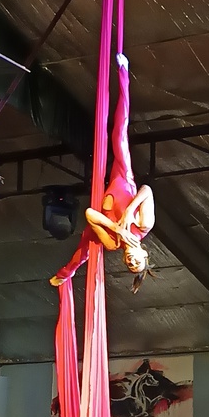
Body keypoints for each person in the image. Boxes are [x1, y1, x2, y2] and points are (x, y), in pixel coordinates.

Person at [50, 53, 155, 293]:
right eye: (137, 262)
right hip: (123, 180)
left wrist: (116, 229)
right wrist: (128, 214)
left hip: (101, 208)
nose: (131, 262)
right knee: (119, 134)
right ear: (143, 253)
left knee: (85, 247)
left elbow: (89, 213)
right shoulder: (144, 225)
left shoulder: (112, 243)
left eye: (129, 265)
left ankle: (66, 272)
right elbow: (146, 190)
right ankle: (123, 73)